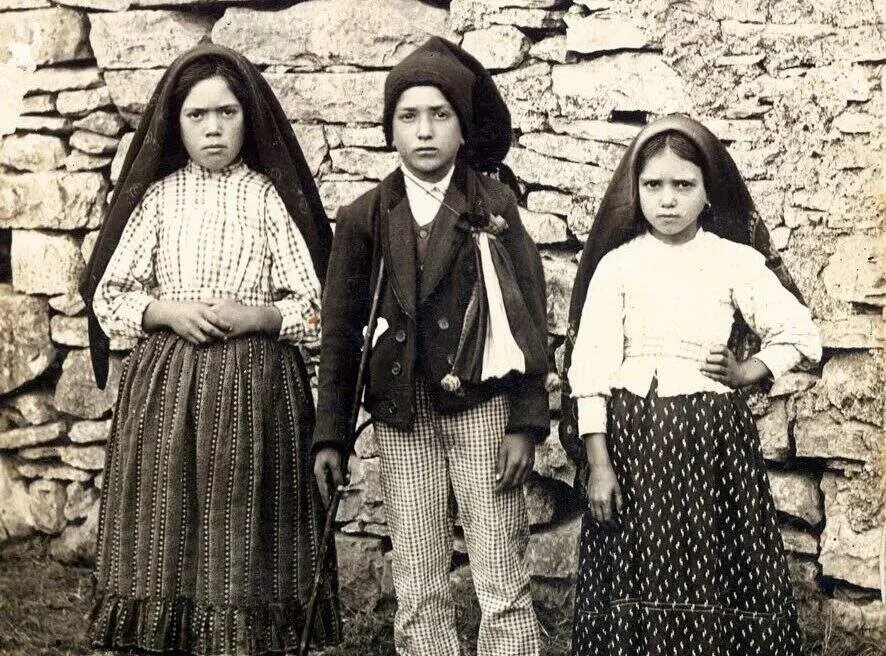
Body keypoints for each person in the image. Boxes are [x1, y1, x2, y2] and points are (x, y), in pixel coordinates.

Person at [79, 43, 340, 655]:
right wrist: (166, 311)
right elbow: (110, 294)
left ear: (249, 117)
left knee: (243, 511)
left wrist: (259, 317)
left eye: (227, 112)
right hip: (166, 386)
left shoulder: (268, 198)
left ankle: (245, 637)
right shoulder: (159, 199)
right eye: (197, 115)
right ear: (176, 123)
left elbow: (316, 304)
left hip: (256, 386)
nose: (214, 128)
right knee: (165, 512)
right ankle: (166, 634)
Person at [312, 36, 550, 656]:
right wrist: (332, 434)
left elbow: (528, 316)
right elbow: (340, 333)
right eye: (408, 116)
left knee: (499, 565)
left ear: (463, 127)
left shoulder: (492, 204)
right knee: (418, 574)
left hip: (482, 408)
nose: (424, 131)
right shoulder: (366, 215)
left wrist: (525, 423)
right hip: (402, 415)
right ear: (389, 128)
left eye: (440, 115)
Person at [563, 114, 821, 655]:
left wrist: (750, 370)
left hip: (714, 446)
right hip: (634, 447)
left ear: (708, 192)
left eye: (684, 185)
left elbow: (799, 331)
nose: (668, 200)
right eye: (653, 185)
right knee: (639, 560)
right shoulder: (617, 267)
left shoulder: (734, 260)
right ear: (635, 191)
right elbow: (591, 371)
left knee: (713, 560)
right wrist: (600, 464)